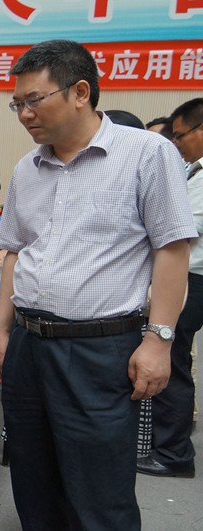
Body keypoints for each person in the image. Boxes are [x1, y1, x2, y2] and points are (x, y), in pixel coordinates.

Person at [0, 40, 196, 531]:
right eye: (17, 104)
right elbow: (15, 250)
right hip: (28, 347)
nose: (24, 114)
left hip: (98, 350)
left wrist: (159, 339)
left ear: (80, 92)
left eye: (34, 100)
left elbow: (172, 249)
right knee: (33, 481)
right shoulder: (27, 167)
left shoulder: (146, 154)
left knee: (99, 493)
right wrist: (1, 331)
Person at [137, 98, 203, 480]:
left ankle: (173, 454)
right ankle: (171, 445)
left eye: (180, 136)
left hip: (191, 279)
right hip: (189, 277)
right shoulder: (193, 171)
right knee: (177, 360)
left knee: (171, 362)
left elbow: (179, 231)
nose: (176, 144)